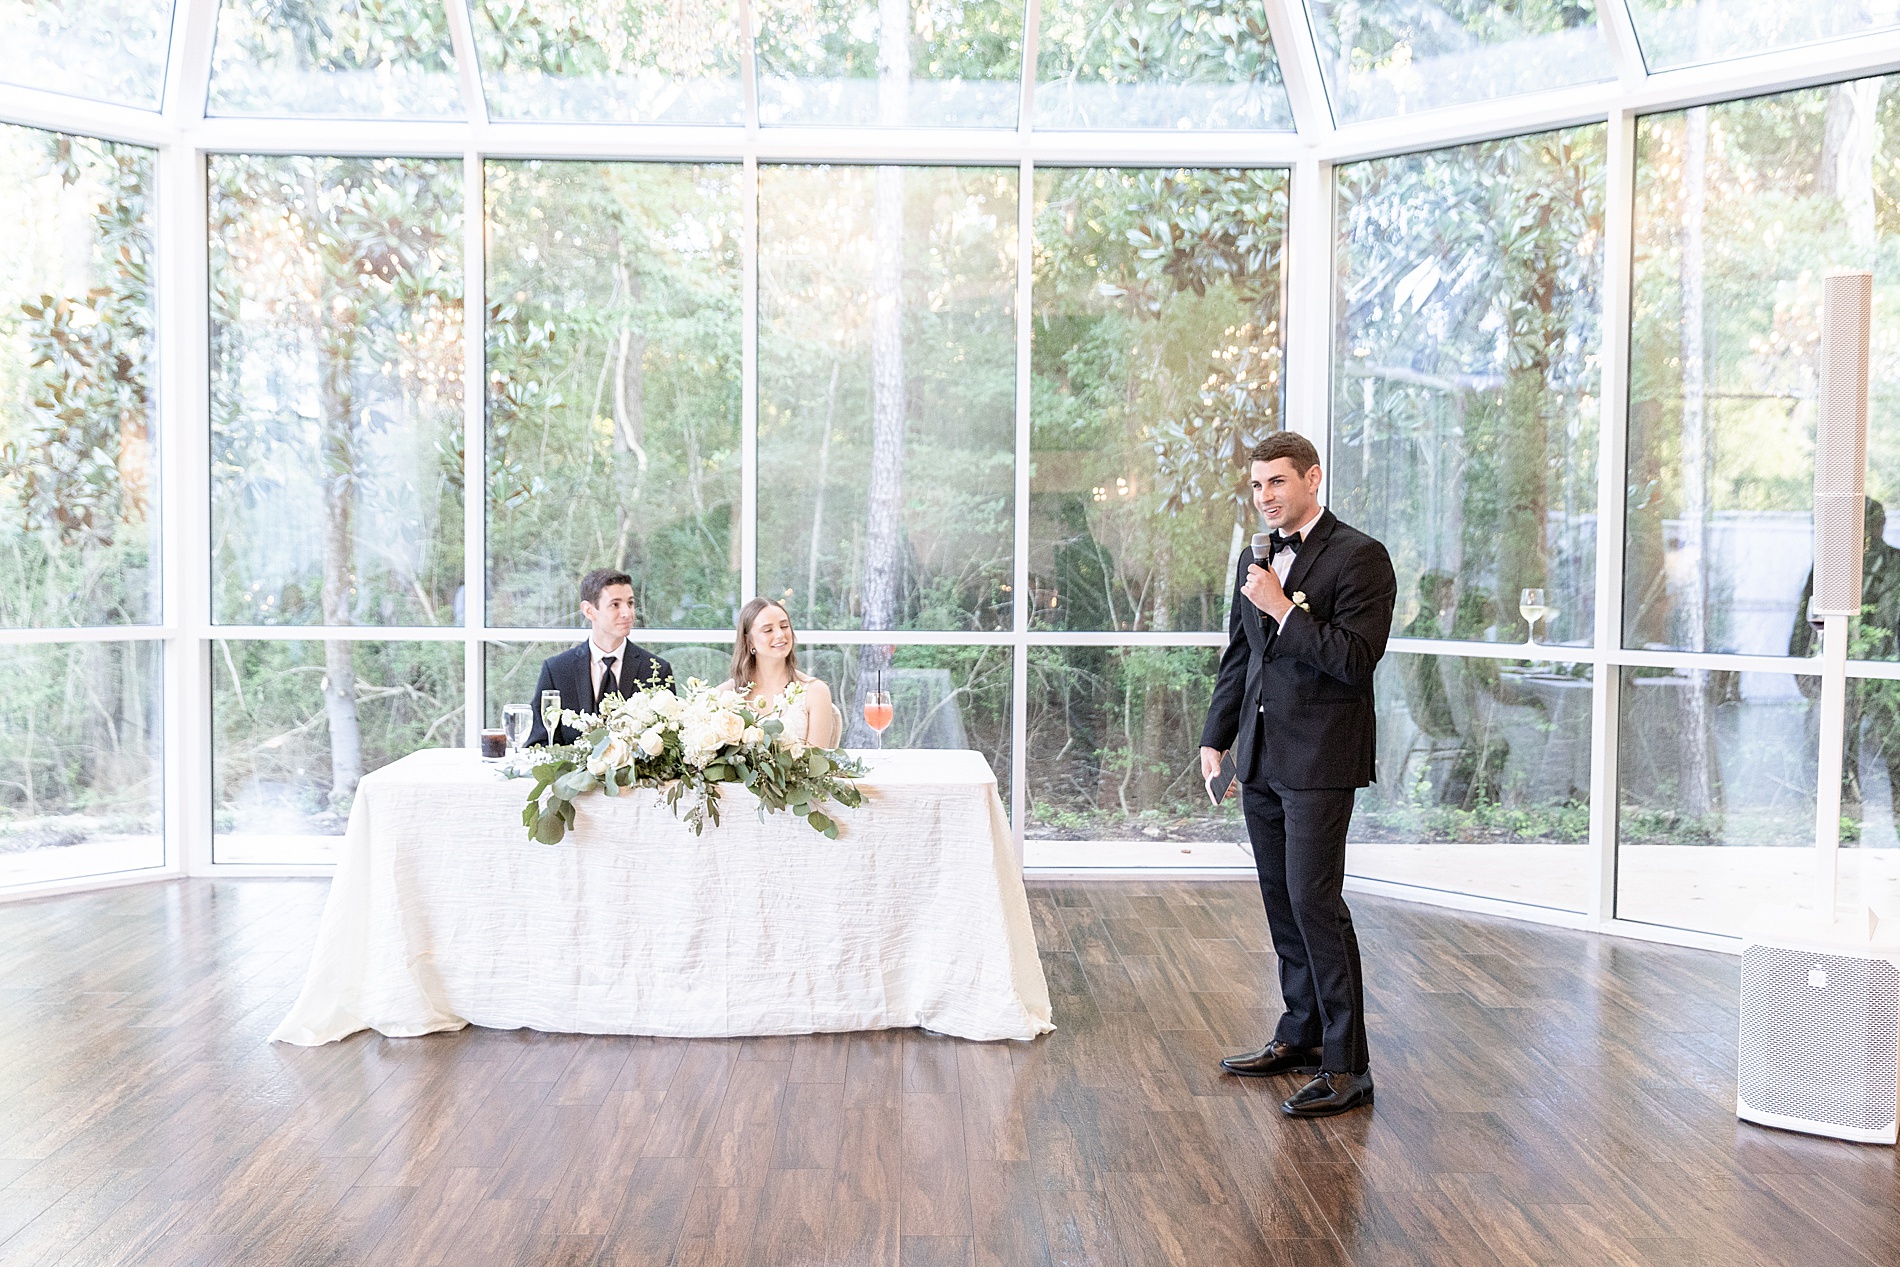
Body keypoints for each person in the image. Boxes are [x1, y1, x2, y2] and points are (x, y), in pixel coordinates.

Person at [1199, 431, 1396, 1118]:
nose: (1266, 498)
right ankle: (1301, 1033)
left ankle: (1349, 1065)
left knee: (1317, 903)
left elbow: (1355, 657)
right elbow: (1240, 658)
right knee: (1282, 903)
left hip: (1320, 760)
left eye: (1277, 482)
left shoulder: (1361, 556)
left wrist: (1283, 606)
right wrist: (1215, 737)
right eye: (1257, 486)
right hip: (1260, 755)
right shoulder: (1256, 560)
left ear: (1312, 478)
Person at [525, 568, 675, 745]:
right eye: (615, 605)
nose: (627, 613)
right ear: (589, 611)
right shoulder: (557, 670)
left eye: (631, 603)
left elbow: (670, 742)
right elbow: (539, 742)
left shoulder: (656, 670)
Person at [717, 597, 841, 748]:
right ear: (749, 641)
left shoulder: (816, 692)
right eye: (768, 630)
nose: (780, 635)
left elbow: (818, 765)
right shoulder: (725, 695)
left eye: (784, 626)